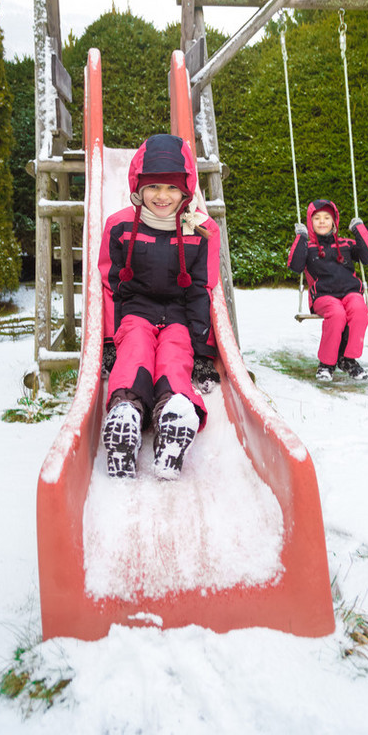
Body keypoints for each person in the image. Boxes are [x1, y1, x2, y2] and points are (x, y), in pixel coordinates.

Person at [98, 133, 221, 479]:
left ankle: (174, 416)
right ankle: (126, 415)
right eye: (153, 188)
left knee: (174, 357)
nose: (163, 196)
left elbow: (202, 289)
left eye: (171, 188)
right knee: (134, 352)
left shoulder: (204, 230)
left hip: (180, 317)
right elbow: (110, 285)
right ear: (138, 187)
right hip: (136, 312)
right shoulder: (120, 226)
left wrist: (202, 352)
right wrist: (109, 340)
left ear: (186, 189)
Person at [288, 199, 368, 382]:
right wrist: (301, 237)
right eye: (317, 218)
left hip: (350, 293)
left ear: (334, 221)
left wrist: (359, 229)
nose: (322, 221)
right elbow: (295, 266)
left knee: (360, 310)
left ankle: (348, 360)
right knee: (337, 314)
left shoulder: (345, 244)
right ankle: (326, 364)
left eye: (327, 217)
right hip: (323, 296)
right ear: (310, 223)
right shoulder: (309, 247)